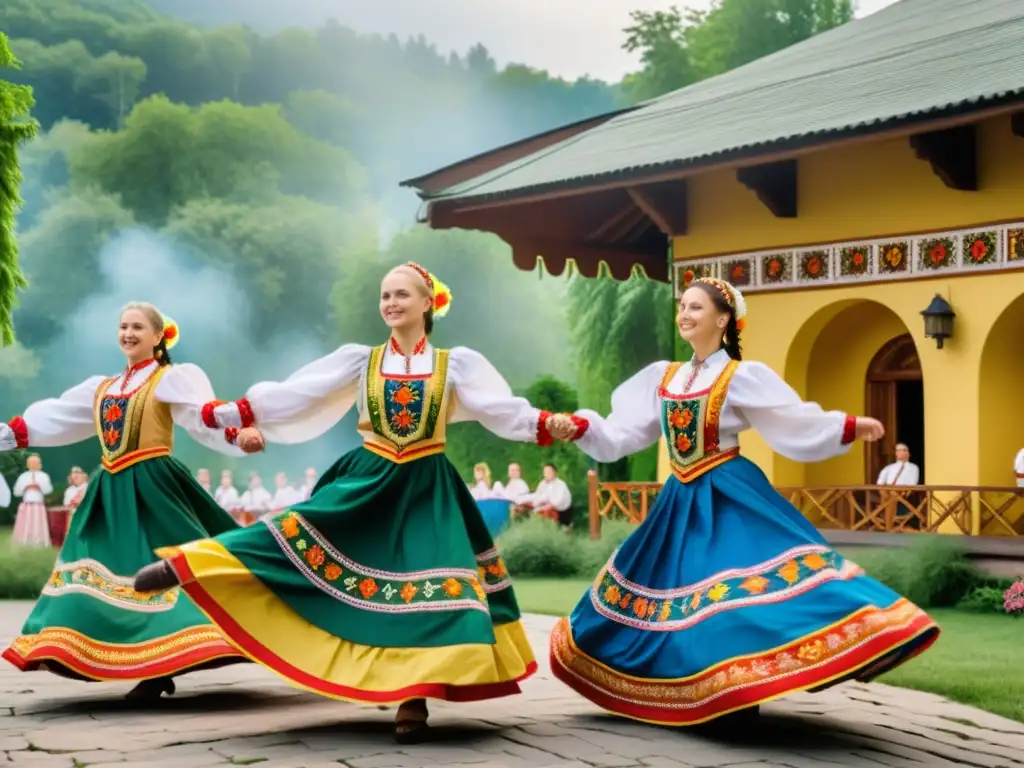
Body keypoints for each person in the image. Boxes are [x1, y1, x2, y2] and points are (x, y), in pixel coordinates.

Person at [135, 263, 562, 743]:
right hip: (370, 475)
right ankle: (190, 564)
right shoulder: (362, 361)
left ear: (428, 302)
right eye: (385, 296)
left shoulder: (454, 364)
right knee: (287, 533)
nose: (391, 303)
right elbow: (296, 393)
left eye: (401, 294)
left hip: (426, 485)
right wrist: (236, 413)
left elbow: (499, 408)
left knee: (431, 588)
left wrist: (544, 424)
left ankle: (412, 699)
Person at [543, 276, 940, 727]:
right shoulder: (664, 377)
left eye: (695, 308)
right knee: (677, 594)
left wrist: (846, 426)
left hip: (728, 490)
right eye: (683, 307)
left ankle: (745, 689)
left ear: (723, 318)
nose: (685, 315)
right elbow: (624, 432)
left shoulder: (739, 376)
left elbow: (789, 421)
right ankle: (693, 689)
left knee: (733, 590)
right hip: (680, 497)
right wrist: (581, 428)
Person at [0, 302, 248, 700]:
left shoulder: (169, 380)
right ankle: (83, 649)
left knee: (170, 568)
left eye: (137, 327)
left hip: (154, 487)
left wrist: (238, 436)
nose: (128, 333)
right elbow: (53, 419)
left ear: (157, 336)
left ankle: (161, 665)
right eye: (122, 326)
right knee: (92, 569)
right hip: (109, 491)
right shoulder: (103, 388)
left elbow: (203, 413)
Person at [12, 455, 53, 548]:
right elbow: (16, 492)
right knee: (25, 524)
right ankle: (25, 541)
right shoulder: (23, 476)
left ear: (39, 464)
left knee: (38, 525)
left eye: (35, 463)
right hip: (27, 504)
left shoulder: (44, 476)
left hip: (38, 504)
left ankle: (39, 542)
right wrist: (25, 487)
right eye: (31, 463)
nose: (33, 465)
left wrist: (39, 486)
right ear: (27, 464)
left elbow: (48, 490)